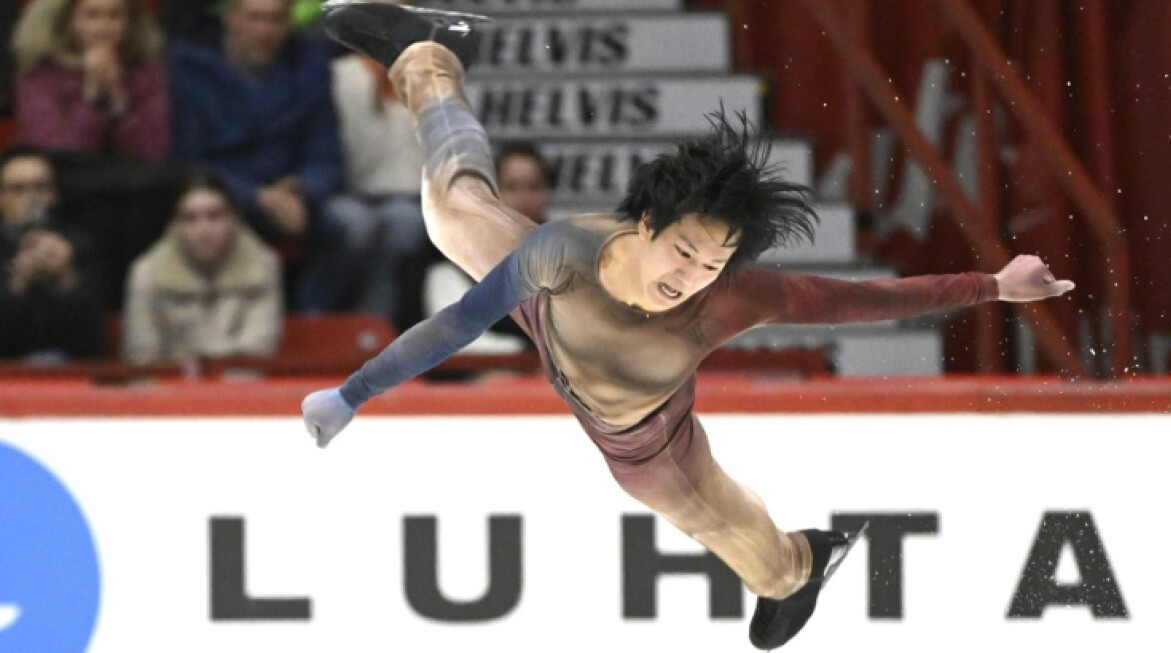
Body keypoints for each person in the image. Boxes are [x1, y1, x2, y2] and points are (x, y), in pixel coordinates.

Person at [301, 4, 1077, 650]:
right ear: (641, 224)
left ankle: (813, 557)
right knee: (452, 208)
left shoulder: (731, 299)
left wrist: (992, 286)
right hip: (554, 308)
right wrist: (352, 393)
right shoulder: (560, 252)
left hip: (649, 445)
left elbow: (860, 300)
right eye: (682, 251)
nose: (690, 276)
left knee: (774, 573)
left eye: (712, 263)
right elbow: (457, 323)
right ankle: (429, 53)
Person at [168, 0, 355, 313]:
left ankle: (317, 325)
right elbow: (186, 160)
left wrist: (301, 187)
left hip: (295, 199)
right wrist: (257, 196)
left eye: (275, 20)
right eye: (255, 18)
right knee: (204, 217)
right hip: (223, 193)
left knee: (353, 223)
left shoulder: (309, 67)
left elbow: (326, 155)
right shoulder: (189, 69)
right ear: (230, 18)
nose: (265, 31)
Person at [122, 170, 282, 365]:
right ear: (176, 226)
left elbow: (257, 352)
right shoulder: (146, 273)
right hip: (167, 392)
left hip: (241, 391)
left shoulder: (263, 267)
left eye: (214, 216)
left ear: (234, 220)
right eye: (190, 218)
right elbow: (142, 360)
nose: (203, 229)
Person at [421, 140, 552, 353]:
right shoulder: (451, 256)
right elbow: (458, 341)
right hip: (472, 381)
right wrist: (527, 353)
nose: (524, 198)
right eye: (511, 187)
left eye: (534, 187)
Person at [328, 48, 428, 323]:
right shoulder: (340, 75)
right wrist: (373, 97)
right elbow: (350, 161)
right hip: (349, 192)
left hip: (409, 198)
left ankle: (376, 324)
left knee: (405, 222)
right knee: (358, 224)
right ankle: (325, 313)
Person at [11, 0, 169, 160]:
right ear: (69, 20)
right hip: (56, 176)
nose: (103, 28)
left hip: (130, 178)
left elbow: (151, 152)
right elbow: (59, 154)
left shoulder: (145, 69)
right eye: (92, 15)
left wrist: (117, 99)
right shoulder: (40, 70)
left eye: (115, 16)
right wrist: (91, 98)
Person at [0, 146, 105, 361]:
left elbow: (95, 340)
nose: (31, 198)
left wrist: (67, 279)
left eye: (40, 187)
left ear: (54, 194)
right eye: (18, 189)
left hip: (67, 373)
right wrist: (16, 286)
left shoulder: (80, 247)